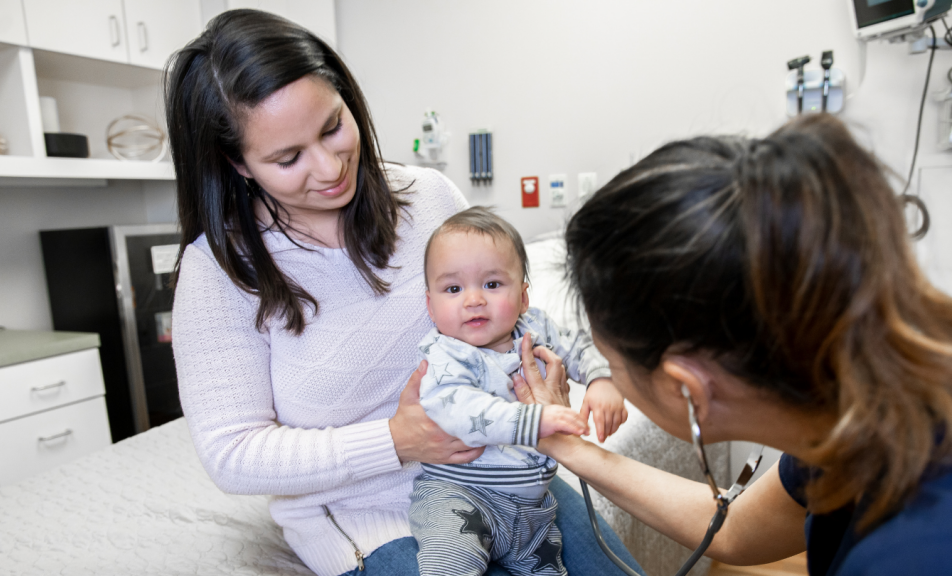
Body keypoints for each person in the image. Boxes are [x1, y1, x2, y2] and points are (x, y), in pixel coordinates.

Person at [166, 10, 641, 576]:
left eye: (333, 126)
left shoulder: (430, 196)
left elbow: (503, 314)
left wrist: (551, 381)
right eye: (288, 159)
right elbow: (232, 453)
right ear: (236, 163)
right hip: (371, 512)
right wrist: (398, 441)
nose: (329, 166)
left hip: (504, 473)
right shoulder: (218, 270)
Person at [510, 113, 952, 576]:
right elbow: (737, 529)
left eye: (613, 367)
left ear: (687, 389)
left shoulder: (912, 553)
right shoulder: (851, 416)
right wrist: (568, 447)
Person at [410, 207, 628, 576]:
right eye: (453, 289)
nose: (474, 299)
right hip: (459, 497)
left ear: (524, 297)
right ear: (431, 306)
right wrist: (533, 420)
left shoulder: (535, 327)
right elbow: (461, 409)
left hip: (532, 509)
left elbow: (578, 347)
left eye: (492, 284)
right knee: (451, 565)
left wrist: (601, 380)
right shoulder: (446, 353)